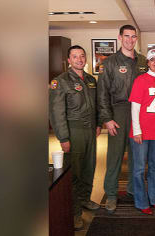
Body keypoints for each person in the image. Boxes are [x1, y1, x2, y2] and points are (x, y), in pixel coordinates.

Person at [49, 45, 102, 230]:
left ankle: (85, 199)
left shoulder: (90, 80)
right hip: (73, 131)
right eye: (75, 56)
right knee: (74, 174)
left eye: (82, 56)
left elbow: (95, 105)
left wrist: (97, 124)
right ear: (68, 60)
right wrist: (63, 138)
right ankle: (75, 212)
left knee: (89, 168)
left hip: (90, 132)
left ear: (85, 59)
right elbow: (56, 113)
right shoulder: (60, 81)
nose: (79, 59)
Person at [97, 25, 148, 213]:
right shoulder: (109, 62)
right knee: (115, 156)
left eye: (133, 36)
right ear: (119, 37)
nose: (130, 40)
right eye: (126, 36)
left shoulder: (144, 60)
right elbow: (102, 94)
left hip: (140, 114)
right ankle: (111, 194)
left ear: (136, 38)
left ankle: (134, 190)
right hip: (118, 112)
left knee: (137, 156)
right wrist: (107, 119)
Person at [129, 49, 155, 215]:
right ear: (147, 63)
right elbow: (135, 107)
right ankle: (141, 201)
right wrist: (137, 130)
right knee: (139, 168)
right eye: (152, 59)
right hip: (141, 132)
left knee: (154, 166)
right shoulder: (141, 80)